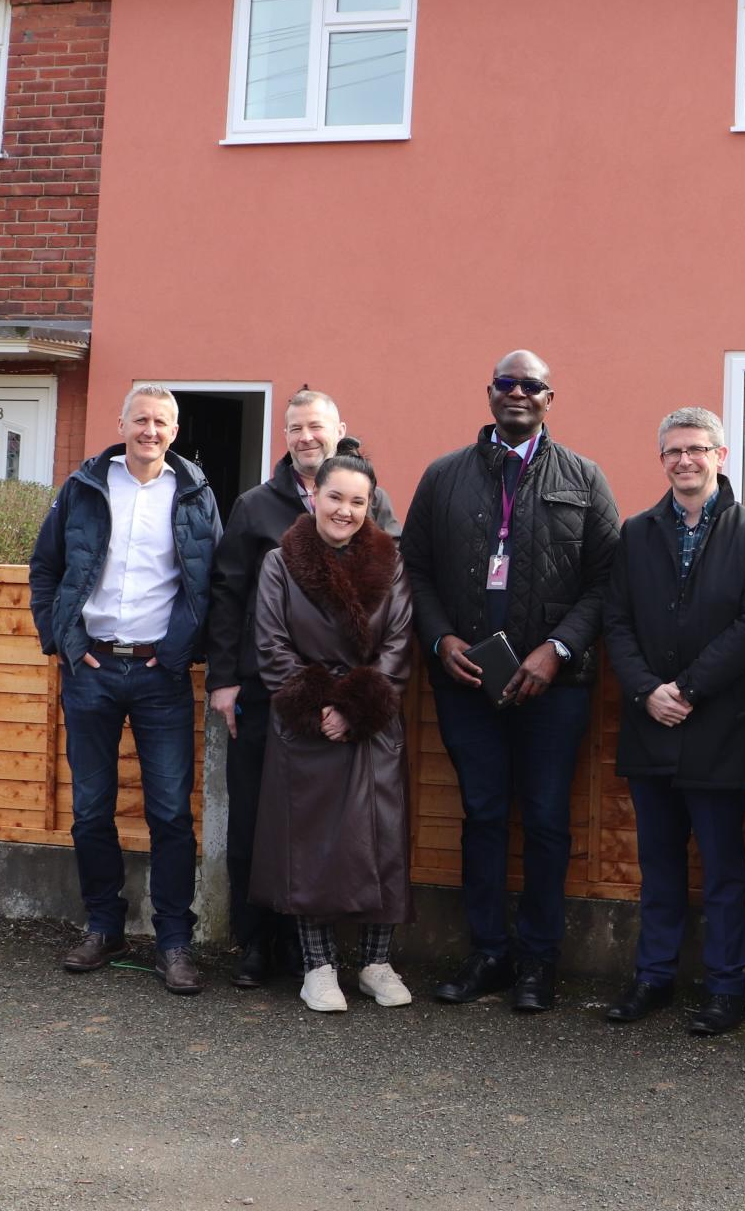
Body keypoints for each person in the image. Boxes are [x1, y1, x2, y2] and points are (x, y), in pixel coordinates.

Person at [401, 349, 620, 1013]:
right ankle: (489, 954)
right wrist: (440, 640)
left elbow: (608, 580)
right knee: (484, 817)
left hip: (555, 687)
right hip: (467, 683)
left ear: (550, 398)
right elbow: (415, 568)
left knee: (549, 822)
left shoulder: (584, 479)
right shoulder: (443, 478)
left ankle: (539, 964)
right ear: (489, 393)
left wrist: (558, 649)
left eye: (532, 385)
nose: (518, 393)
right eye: (507, 383)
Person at [28, 384, 221, 996]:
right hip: (92, 670)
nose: (150, 430)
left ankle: (173, 942)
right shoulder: (85, 487)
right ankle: (103, 926)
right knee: (91, 809)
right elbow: (46, 568)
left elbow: (209, 581)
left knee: (169, 813)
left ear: (175, 429)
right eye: (141, 419)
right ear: (122, 423)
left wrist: (180, 651)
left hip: (161, 675)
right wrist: (61, 639)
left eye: (161, 421)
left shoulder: (194, 493)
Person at [205, 391, 400, 990]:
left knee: (337, 824)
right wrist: (224, 681)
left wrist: (356, 700)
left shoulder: (375, 500)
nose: (306, 436)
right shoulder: (254, 506)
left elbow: (385, 595)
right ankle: (257, 943)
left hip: (353, 695)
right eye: (294, 428)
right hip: (270, 688)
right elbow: (229, 595)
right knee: (260, 823)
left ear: (340, 430)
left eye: (316, 426)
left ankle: (314, 955)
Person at [600, 408, 745, 1037]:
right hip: (651, 722)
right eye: (674, 451)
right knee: (658, 862)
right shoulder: (637, 533)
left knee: (725, 868)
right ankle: (653, 977)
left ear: (722, 455)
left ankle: (726, 989)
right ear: (662, 460)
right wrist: (648, 690)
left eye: (698, 449)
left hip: (720, 723)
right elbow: (615, 622)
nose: (686, 460)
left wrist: (690, 688)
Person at [249, 447, 416, 1014]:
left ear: (371, 507)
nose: (345, 510)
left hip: (371, 721)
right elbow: (270, 646)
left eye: (358, 501)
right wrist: (322, 704)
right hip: (308, 724)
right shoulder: (280, 563)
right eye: (335, 497)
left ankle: (375, 963)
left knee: (381, 841)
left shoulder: (391, 564)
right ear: (314, 496)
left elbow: (398, 645)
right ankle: (318, 968)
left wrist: (357, 706)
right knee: (310, 846)